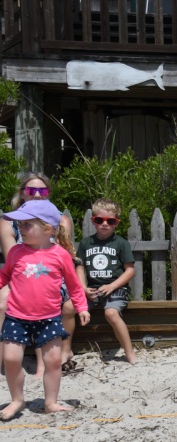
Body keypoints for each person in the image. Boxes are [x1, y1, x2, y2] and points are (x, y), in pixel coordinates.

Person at [0, 200, 90, 420]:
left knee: (53, 361)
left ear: (48, 229)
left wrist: (81, 307)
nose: (20, 228)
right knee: (11, 359)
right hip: (16, 317)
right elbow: (4, 276)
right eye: (19, 224)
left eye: (26, 224)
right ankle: (17, 400)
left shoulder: (60, 254)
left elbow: (74, 285)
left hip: (49, 318)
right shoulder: (15, 252)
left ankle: (50, 402)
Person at [0, 173, 79, 376]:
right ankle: (6, 359)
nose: (37, 194)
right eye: (31, 190)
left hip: (52, 276)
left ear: (48, 193)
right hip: (20, 273)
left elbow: (64, 259)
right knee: (4, 300)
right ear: (22, 193)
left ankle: (56, 356)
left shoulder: (59, 220)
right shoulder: (10, 222)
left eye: (42, 190)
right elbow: (12, 263)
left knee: (52, 299)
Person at [77, 199, 137, 364]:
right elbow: (80, 267)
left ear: (116, 222)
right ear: (93, 220)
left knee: (111, 313)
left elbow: (130, 270)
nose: (104, 224)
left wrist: (112, 286)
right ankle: (65, 350)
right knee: (68, 308)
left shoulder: (121, 243)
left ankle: (129, 352)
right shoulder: (85, 243)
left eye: (110, 221)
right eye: (99, 220)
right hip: (92, 289)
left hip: (116, 288)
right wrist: (83, 288)